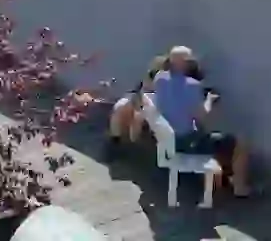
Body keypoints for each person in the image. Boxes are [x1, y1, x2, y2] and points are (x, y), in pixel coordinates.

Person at [152, 46, 251, 197]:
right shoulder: (193, 85)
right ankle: (239, 187)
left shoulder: (159, 79)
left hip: (167, 141)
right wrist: (209, 100)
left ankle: (224, 177)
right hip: (186, 143)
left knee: (210, 137)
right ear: (185, 63)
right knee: (240, 142)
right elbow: (201, 115)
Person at [107, 53, 206, 152]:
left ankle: (136, 145)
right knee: (120, 107)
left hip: (161, 104)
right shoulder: (158, 70)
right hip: (146, 97)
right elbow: (142, 88)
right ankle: (115, 141)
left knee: (141, 117)